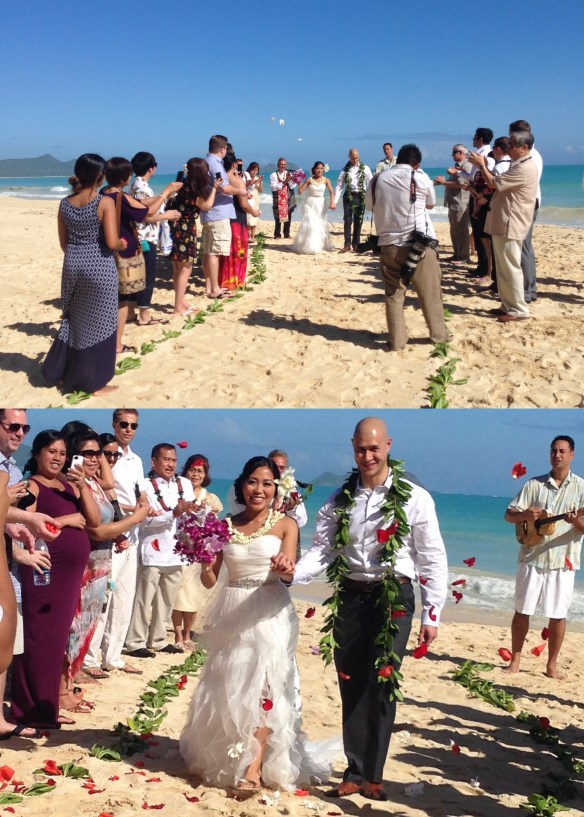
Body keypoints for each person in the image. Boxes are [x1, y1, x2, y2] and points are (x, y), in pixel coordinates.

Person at [293, 417, 448, 801]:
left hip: (394, 597)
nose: (367, 456)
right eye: (361, 449)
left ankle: (374, 775)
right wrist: (288, 575)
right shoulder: (338, 499)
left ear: (389, 446)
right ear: (352, 447)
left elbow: (431, 558)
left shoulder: (414, 497)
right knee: (351, 682)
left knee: (382, 683)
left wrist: (432, 613)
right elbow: (323, 551)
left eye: (374, 448)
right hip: (351, 594)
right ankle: (354, 770)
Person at [180, 456, 335, 798]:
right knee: (233, 684)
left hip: (270, 609)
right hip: (232, 608)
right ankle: (237, 752)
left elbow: (290, 571)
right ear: (241, 485)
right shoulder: (224, 525)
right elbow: (209, 581)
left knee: (266, 687)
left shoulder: (286, 525)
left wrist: (284, 566)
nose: (259, 489)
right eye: (253, 482)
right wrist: (203, 558)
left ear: (276, 488)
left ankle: (253, 767)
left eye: (267, 483)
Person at [10, 430, 99, 727]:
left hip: (69, 577)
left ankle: (48, 705)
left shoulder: (67, 485)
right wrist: (66, 520)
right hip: (45, 572)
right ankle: (31, 708)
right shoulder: (31, 486)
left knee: (57, 640)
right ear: (37, 454)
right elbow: (27, 528)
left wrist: (83, 486)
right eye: (51, 451)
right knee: (39, 638)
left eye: (62, 453)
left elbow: (95, 520)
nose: (58, 458)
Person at [63, 429, 149, 684]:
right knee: (77, 624)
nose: (94, 458)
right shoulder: (78, 485)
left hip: (100, 562)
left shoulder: (94, 484)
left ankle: (73, 674)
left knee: (89, 620)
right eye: (86, 453)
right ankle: (68, 679)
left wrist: (98, 455)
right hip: (87, 562)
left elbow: (110, 482)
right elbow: (96, 530)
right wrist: (134, 519)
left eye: (97, 453)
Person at [41, 153, 127, 396]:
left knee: (76, 322)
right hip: (99, 266)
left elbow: (64, 244)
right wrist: (121, 244)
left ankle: (65, 373)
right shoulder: (104, 202)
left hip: (72, 265)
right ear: (100, 177)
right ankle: (94, 383)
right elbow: (111, 242)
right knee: (102, 323)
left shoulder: (65, 203)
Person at [0, 410, 59, 740]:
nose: (19, 433)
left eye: (25, 427)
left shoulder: (11, 466)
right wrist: (30, 523)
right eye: (12, 426)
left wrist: (17, 529)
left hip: (7, 567)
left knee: (6, 644)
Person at [504, 435, 584, 679]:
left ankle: (551, 665)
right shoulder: (533, 485)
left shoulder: (581, 488)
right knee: (522, 611)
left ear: (572, 455)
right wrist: (525, 515)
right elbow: (509, 515)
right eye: (553, 451)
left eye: (561, 451)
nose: (557, 455)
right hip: (531, 556)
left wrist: (576, 521)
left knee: (558, 615)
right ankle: (515, 660)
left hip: (563, 560)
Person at [365, 143, 449, 351]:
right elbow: (430, 204)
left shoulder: (377, 180)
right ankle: (439, 336)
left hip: (388, 245)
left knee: (394, 296)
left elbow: (370, 206)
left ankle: (397, 341)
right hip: (419, 245)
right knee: (430, 293)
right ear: (416, 163)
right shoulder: (420, 177)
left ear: (397, 159)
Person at [87, 409, 151, 673]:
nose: (128, 429)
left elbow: (141, 489)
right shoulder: (104, 454)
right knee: (105, 599)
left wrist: (144, 503)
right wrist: (133, 512)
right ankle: (90, 658)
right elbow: (107, 493)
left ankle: (112, 656)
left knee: (124, 598)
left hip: (132, 533)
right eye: (124, 424)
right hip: (113, 531)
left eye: (133, 425)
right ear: (114, 425)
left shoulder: (135, 459)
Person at [124, 443, 195, 657]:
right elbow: (144, 520)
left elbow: (189, 516)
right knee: (144, 599)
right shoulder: (145, 485)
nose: (171, 464)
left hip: (176, 552)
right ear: (154, 462)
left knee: (166, 600)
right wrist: (173, 513)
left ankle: (158, 639)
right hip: (153, 550)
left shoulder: (184, 483)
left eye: (174, 460)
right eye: (166, 459)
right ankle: (134, 642)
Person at [469, 131, 538, 321]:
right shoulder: (519, 164)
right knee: (503, 266)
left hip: (511, 221)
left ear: (524, 148)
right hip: (505, 220)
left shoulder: (524, 167)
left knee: (510, 266)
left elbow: (493, 184)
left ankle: (517, 308)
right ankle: (508, 304)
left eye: (514, 145)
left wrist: (481, 165)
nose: (510, 148)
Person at [172, 454, 224, 651]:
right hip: (178, 548)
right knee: (178, 593)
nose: (195, 474)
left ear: (205, 475)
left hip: (199, 551)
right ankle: (177, 635)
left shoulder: (211, 498)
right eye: (192, 470)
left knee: (194, 596)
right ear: (186, 471)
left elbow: (215, 527)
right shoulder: (178, 493)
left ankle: (187, 634)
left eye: (200, 471)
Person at [129, 151, 183, 325]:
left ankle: (131, 312)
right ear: (151, 168)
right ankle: (144, 315)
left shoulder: (136, 185)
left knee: (136, 276)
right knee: (147, 277)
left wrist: (165, 196)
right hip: (145, 237)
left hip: (139, 236)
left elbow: (146, 206)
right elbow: (146, 215)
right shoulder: (142, 188)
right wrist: (166, 214)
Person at [170, 157, 224, 314]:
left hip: (175, 226)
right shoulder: (193, 190)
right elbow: (207, 206)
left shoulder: (182, 185)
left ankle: (180, 302)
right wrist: (214, 188)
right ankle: (178, 307)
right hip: (186, 228)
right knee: (186, 269)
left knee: (177, 268)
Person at [200, 135, 247, 299]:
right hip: (218, 214)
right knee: (215, 253)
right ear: (222, 148)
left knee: (207, 252)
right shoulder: (215, 165)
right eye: (225, 148)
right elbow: (225, 189)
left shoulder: (206, 162)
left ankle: (209, 286)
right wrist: (241, 191)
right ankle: (215, 289)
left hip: (209, 213)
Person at [509, 120, 543, 304]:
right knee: (524, 247)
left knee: (524, 247)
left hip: (527, 203)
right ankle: (528, 288)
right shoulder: (532, 154)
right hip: (529, 201)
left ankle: (528, 290)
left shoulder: (531, 157)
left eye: (511, 137)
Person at [456, 128, 494, 280]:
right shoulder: (485, 154)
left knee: (481, 234)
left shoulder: (484, 155)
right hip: (477, 194)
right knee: (479, 233)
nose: (472, 139)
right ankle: (482, 267)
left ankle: (484, 268)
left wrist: (459, 173)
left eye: (474, 137)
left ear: (479, 139)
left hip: (481, 196)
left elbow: (478, 176)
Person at [219, 155, 261, 290]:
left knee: (225, 250)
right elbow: (244, 205)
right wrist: (254, 212)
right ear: (233, 165)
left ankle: (222, 279)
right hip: (237, 217)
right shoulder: (236, 181)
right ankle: (234, 280)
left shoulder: (219, 178)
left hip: (223, 216)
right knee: (237, 249)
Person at [433, 145, 472, 266]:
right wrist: (443, 182)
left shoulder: (466, 166)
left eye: (454, 153)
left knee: (461, 230)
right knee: (454, 230)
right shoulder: (457, 167)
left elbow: (461, 184)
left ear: (460, 153)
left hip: (460, 202)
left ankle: (464, 256)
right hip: (453, 202)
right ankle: (457, 254)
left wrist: (444, 182)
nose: (452, 155)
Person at [334, 148, 373, 253]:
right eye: (353, 158)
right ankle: (347, 244)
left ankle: (356, 244)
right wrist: (334, 201)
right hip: (348, 196)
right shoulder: (344, 170)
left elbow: (371, 183)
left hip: (361, 196)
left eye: (357, 158)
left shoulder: (365, 168)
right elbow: (339, 186)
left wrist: (371, 198)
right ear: (349, 157)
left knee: (358, 220)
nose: (355, 160)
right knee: (347, 220)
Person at [292, 162, 336, 255]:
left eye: (321, 168)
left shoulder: (326, 180)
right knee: (310, 223)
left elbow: (332, 192)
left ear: (323, 170)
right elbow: (300, 192)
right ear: (314, 169)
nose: (319, 170)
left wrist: (332, 202)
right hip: (310, 203)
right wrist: (299, 182)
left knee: (320, 224)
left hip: (321, 203)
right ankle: (310, 247)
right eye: (317, 168)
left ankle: (318, 244)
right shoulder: (309, 180)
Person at [269, 158, 297, 239]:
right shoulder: (273, 175)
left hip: (288, 197)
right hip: (278, 198)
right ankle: (277, 234)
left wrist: (292, 181)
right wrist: (285, 182)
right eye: (281, 164)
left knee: (288, 215)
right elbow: (274, 187)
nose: (283, 166)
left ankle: (286, 234)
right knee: (277, 216)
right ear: (278, 165)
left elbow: (292, 186)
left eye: (284, 165)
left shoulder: (289, 174)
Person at [246, 162, 263, 242]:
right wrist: (255, 182)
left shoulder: (257, 179)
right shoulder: (246, 178)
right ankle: (248, 236)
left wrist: (259, 183)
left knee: (254, 218)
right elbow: (248, 187)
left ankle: (253, 236)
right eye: (253, 170)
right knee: (248, 217)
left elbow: (260, 190)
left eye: (256, 170)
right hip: (248, 199)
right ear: (249, 170)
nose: (254, 172)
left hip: (255, 199)